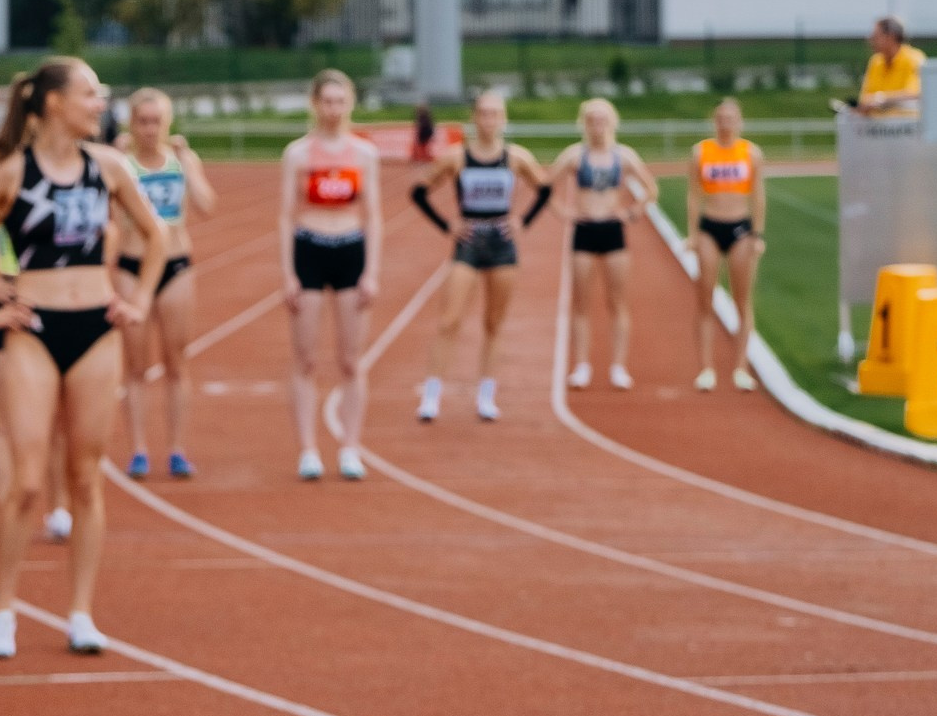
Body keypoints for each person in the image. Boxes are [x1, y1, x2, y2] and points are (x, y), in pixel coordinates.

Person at [0, 56, 164, 658]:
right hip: (32, 328)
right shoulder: (12, 174)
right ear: (54, 103)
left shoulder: (108, 167)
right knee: (29, 482)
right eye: (90, 93)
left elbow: (157, 235)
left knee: (86, 479)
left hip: (96, 328)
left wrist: (136, 300)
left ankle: (81, 612)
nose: (99, 103)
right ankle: (3, 609)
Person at [411, 88, 551, 424]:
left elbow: (545, 189)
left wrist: (523, 221)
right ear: (474, 118)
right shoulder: (456, 157)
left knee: (493, 322)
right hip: (469, 241)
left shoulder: (516, 158)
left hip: (502, 243)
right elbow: (418, 191)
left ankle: (486, 396)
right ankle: (432, 395)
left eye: (495, 113)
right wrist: (447, 225)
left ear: (503, 119)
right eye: (483, 113)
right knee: (450, 319)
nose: (488, 120)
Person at [278, 69, 383, 482]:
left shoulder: (364, 154)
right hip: (309, 249)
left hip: (350, 250)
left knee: (351, 360)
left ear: (350, 104)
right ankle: (307, 449)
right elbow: (285, 216)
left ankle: (350, 447)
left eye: (341, 101)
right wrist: (288, 273)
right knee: (305, 358)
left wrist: (371, 272)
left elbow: (373, 216)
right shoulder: (299, 155)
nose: (334, 109)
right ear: (315, 104)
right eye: (327, 101)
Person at [113, 88, 217, 478]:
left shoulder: (180, 161)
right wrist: (112, 156)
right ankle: (138, 449)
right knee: (135, 365)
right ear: (131, 123)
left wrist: (190, 167)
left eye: (156, 121)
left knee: (177, 362)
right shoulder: (120, 164)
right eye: (142, 121)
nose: (149, 129)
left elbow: (207, 206)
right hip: (132, 267)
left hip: (175, 266)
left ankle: (176, 449)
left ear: (167, 123)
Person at [545, 98, 658, 391]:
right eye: (592, 119)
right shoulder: (575, 155)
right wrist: (563, 212)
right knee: (581, 303)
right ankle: (582, 365)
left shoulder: (624, 156)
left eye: (602, 119)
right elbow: (545, 186)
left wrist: (632, 212)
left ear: (612, 122)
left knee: (617, 302)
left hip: (613, 232)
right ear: (584, 123)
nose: (597, 125)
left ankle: (618, 366)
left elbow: (651, 189)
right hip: (584, 231)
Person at [687, 98, 767, 392]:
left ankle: (741, 367)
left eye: (731, 117)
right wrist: (693, 234)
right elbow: (693, 195)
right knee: (704, 298)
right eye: (720, 117)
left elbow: (758, 196)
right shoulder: (701, 152)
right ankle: (706, 367)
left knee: (741, 300)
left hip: (740, 229)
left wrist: (757, 234)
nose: (725, 122)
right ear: (714, 121)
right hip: (710, 226)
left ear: (740, 121)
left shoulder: (751, 153)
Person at [855, 16, 925, 116]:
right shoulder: (875, 61)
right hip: (877, 128)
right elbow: (865, 98)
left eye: (876, 36)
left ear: (891, 37)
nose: (871, 40)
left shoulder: (914, 58)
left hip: (906, 126)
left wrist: (881, 99)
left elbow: (915, 92)